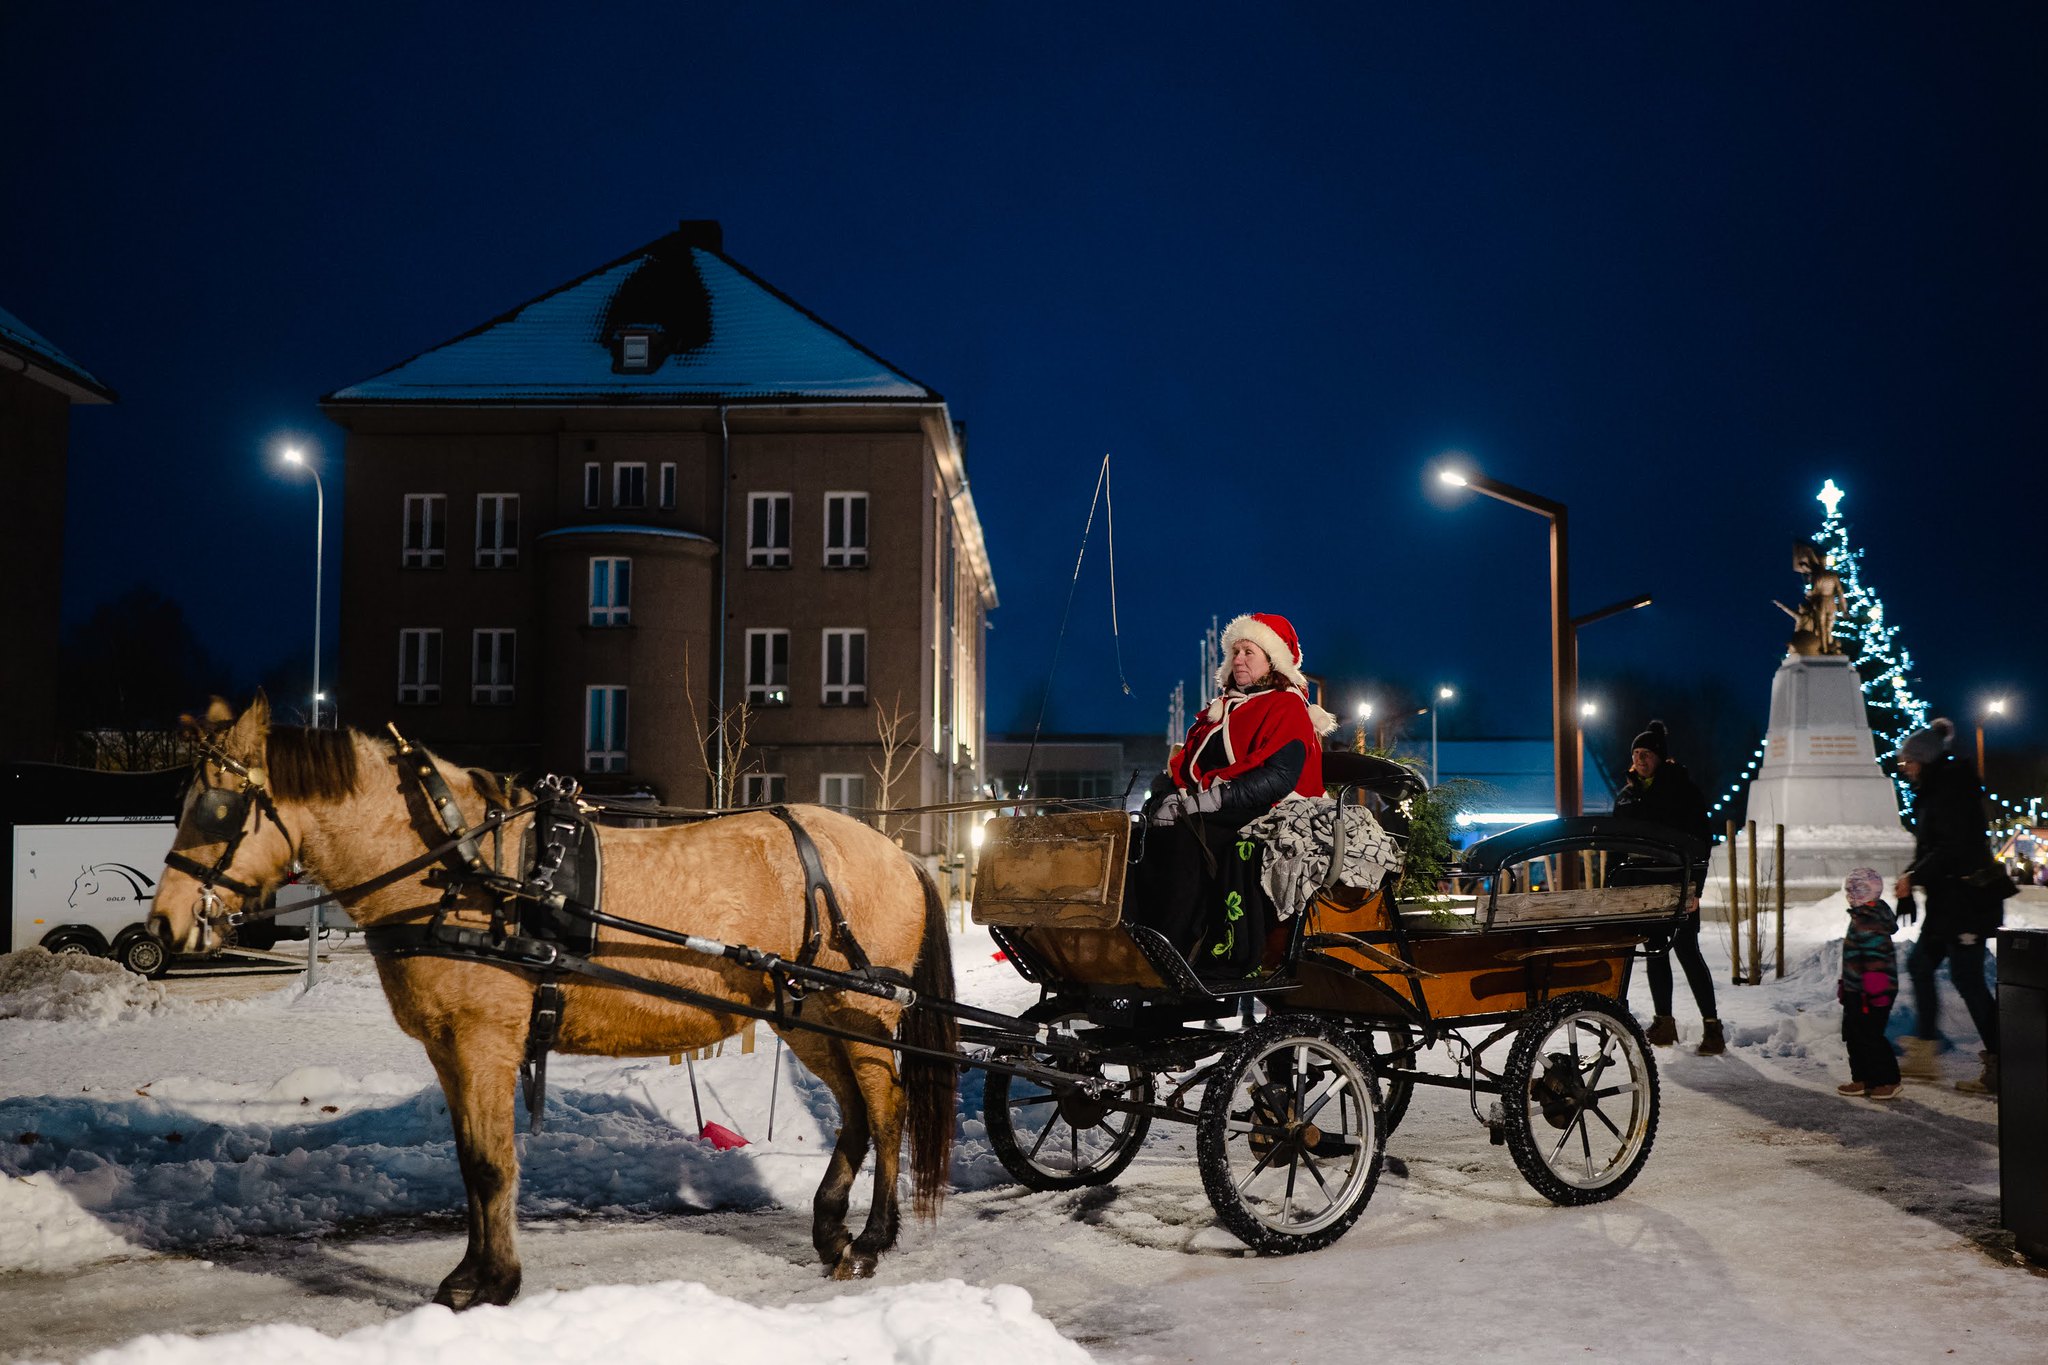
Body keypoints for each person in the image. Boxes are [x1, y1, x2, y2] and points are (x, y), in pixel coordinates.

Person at [1132, 613, 1336, 976]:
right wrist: (1166, 798)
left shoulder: (1286, 706)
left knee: (1184, 840)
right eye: (1235, 651)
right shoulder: (1222, 709)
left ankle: (1179, 950)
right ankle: (1134, 939)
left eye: (1248, 651)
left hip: (1261, 810)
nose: (1238, 659)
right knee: (1139, 838)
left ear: (1272, 660)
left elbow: (1279, 778)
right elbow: (1178, 767)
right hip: (1206, 807)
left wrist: (1211, 800)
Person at [1894, 718, 2002, 1095]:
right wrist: (1912, 875)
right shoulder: (1933, 789)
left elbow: (1955, 848)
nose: (1903, 767)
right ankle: (1925, 1053)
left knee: (1969, 980)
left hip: (1968, 902)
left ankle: (2003, 1063)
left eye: (1907, 761)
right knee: (1920, 964)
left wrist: (1915, 875)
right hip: (1947, 903)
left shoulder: (1951, 790)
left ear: (1924, 759)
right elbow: (1933, 848)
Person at [1613, 719, 1725, 1055]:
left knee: (1688, 952)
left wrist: (1696, 888)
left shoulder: (1681, 789)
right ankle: (1664, 1023)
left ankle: (1712, 1028)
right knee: (1654, 952)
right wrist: (1616, 886)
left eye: (1646, 753)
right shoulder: (1628, 795)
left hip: (1678, 885)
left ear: (1661, 757)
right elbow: (1617, 845)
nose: (1640, 759)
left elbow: (1701, 841)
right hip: (1642, 888)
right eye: (1636, 753)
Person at [1835, 867, 1902, 1101]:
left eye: (1855, 890)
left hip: (1873, 993)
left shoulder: (1871, 920)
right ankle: (1863, 1078)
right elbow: (1857, 957)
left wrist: (1874, 993)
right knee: (1854, 1034)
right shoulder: (1862, 917)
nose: (1850, 895)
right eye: (1849, 890)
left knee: (1871, 1036)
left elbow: (1876, 959)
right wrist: (1848, 984)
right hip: (1858, 990)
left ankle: (1887, 1080)